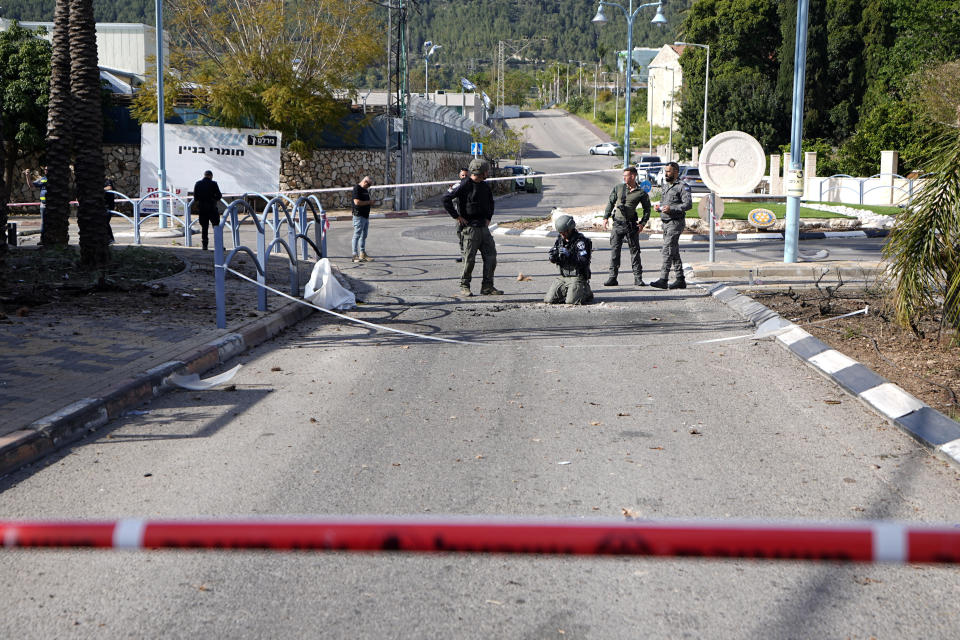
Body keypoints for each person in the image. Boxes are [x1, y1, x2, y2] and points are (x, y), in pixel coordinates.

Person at [442, 158, 501, 297]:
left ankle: (487, 286)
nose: (488, 173)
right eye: (486, 171)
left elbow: (491, 203)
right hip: (470, 229)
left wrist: (488, 219)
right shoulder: (463, 185)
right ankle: (464, 286)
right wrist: (457, 216)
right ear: (481, 172)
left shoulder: (485, 186)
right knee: (469, 260)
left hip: (484, 229)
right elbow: (445, 198)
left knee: (491, 257)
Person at [602, 166, 651, 287]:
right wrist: (605, 217)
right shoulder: (619, 188)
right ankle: (612, 277)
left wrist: (642, 223)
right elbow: (611, 202)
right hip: (617, 224)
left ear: (633, 176)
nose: (624, 178)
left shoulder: (641, 192)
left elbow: (647, 209)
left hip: (630, 226)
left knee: (635, 252)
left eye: (626, 175)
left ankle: (638, 278)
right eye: (623, 176)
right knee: (615, 252)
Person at [650, 161, 692, 290]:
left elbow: (688, 205)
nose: (666, 173)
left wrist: (672, 208)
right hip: (666, 222)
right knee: (673, 251)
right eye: (665, 171)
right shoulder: (665, 185)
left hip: (675, 223)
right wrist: (660, 207)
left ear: (676, 172)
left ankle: (663, 279)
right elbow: (665, 202)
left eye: (668, 171)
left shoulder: (682, 186)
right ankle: (680, 279)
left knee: (667, 250)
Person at [544, 214, 594, 305]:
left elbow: (584, 261)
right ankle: (570, 292)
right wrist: (553, 257)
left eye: (564, 232)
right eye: (560, 232)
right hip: (564, 276)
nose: (562, 234)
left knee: (571, 302)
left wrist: (569, 255)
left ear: (570, 229)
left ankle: (586, 292)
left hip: (577, 277)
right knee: (549, 299)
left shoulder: (580, 242)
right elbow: (555, 258)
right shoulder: (560, 240)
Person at [192, 170, 222, 250]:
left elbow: (195, 198)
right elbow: (219, 195)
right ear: (211, 176)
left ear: (204, 175)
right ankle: (218, 245)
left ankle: (204, 245)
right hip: (212, 208)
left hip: (202, 209)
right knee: (216, 226)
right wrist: (213, 199)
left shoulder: (198, 184)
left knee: (204, 228)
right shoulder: (213, 184)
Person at [351, 175, 375, 262]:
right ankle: (354, 255)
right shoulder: (357, 188)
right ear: (365, 182)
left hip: (365, 216)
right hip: (359, 216)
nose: (368, 187)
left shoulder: (365, 190)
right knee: (357, 235)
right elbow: (357, 202)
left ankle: (362, 253)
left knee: (364, 235)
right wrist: (369, 202)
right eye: (368, 185)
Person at [449, 167, 469, 262]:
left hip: (470, 217)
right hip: (460, 217)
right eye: (463, 175)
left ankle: (469, 255)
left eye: (466, 175)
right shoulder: (456, 186)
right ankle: (463, 254)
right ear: (459, 176)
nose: (464, 177)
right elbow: (448, 199)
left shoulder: (472, 186)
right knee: (460, 235)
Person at [23, 167, 47, 237]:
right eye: (45, 169)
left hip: (53, 205)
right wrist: (27, 176)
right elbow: (31, 185)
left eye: (47, 169)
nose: (46, 171)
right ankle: (43, 239)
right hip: (44, 205)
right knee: (43, 222)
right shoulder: (43, 179)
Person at [103, 178, 116, 244]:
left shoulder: (107, 180)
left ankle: (110, 239)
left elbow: (109, 187)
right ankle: (108, 239)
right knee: (103, 222)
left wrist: (100, 190)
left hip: (108, 206)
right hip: (101, 206)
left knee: (105, 222)